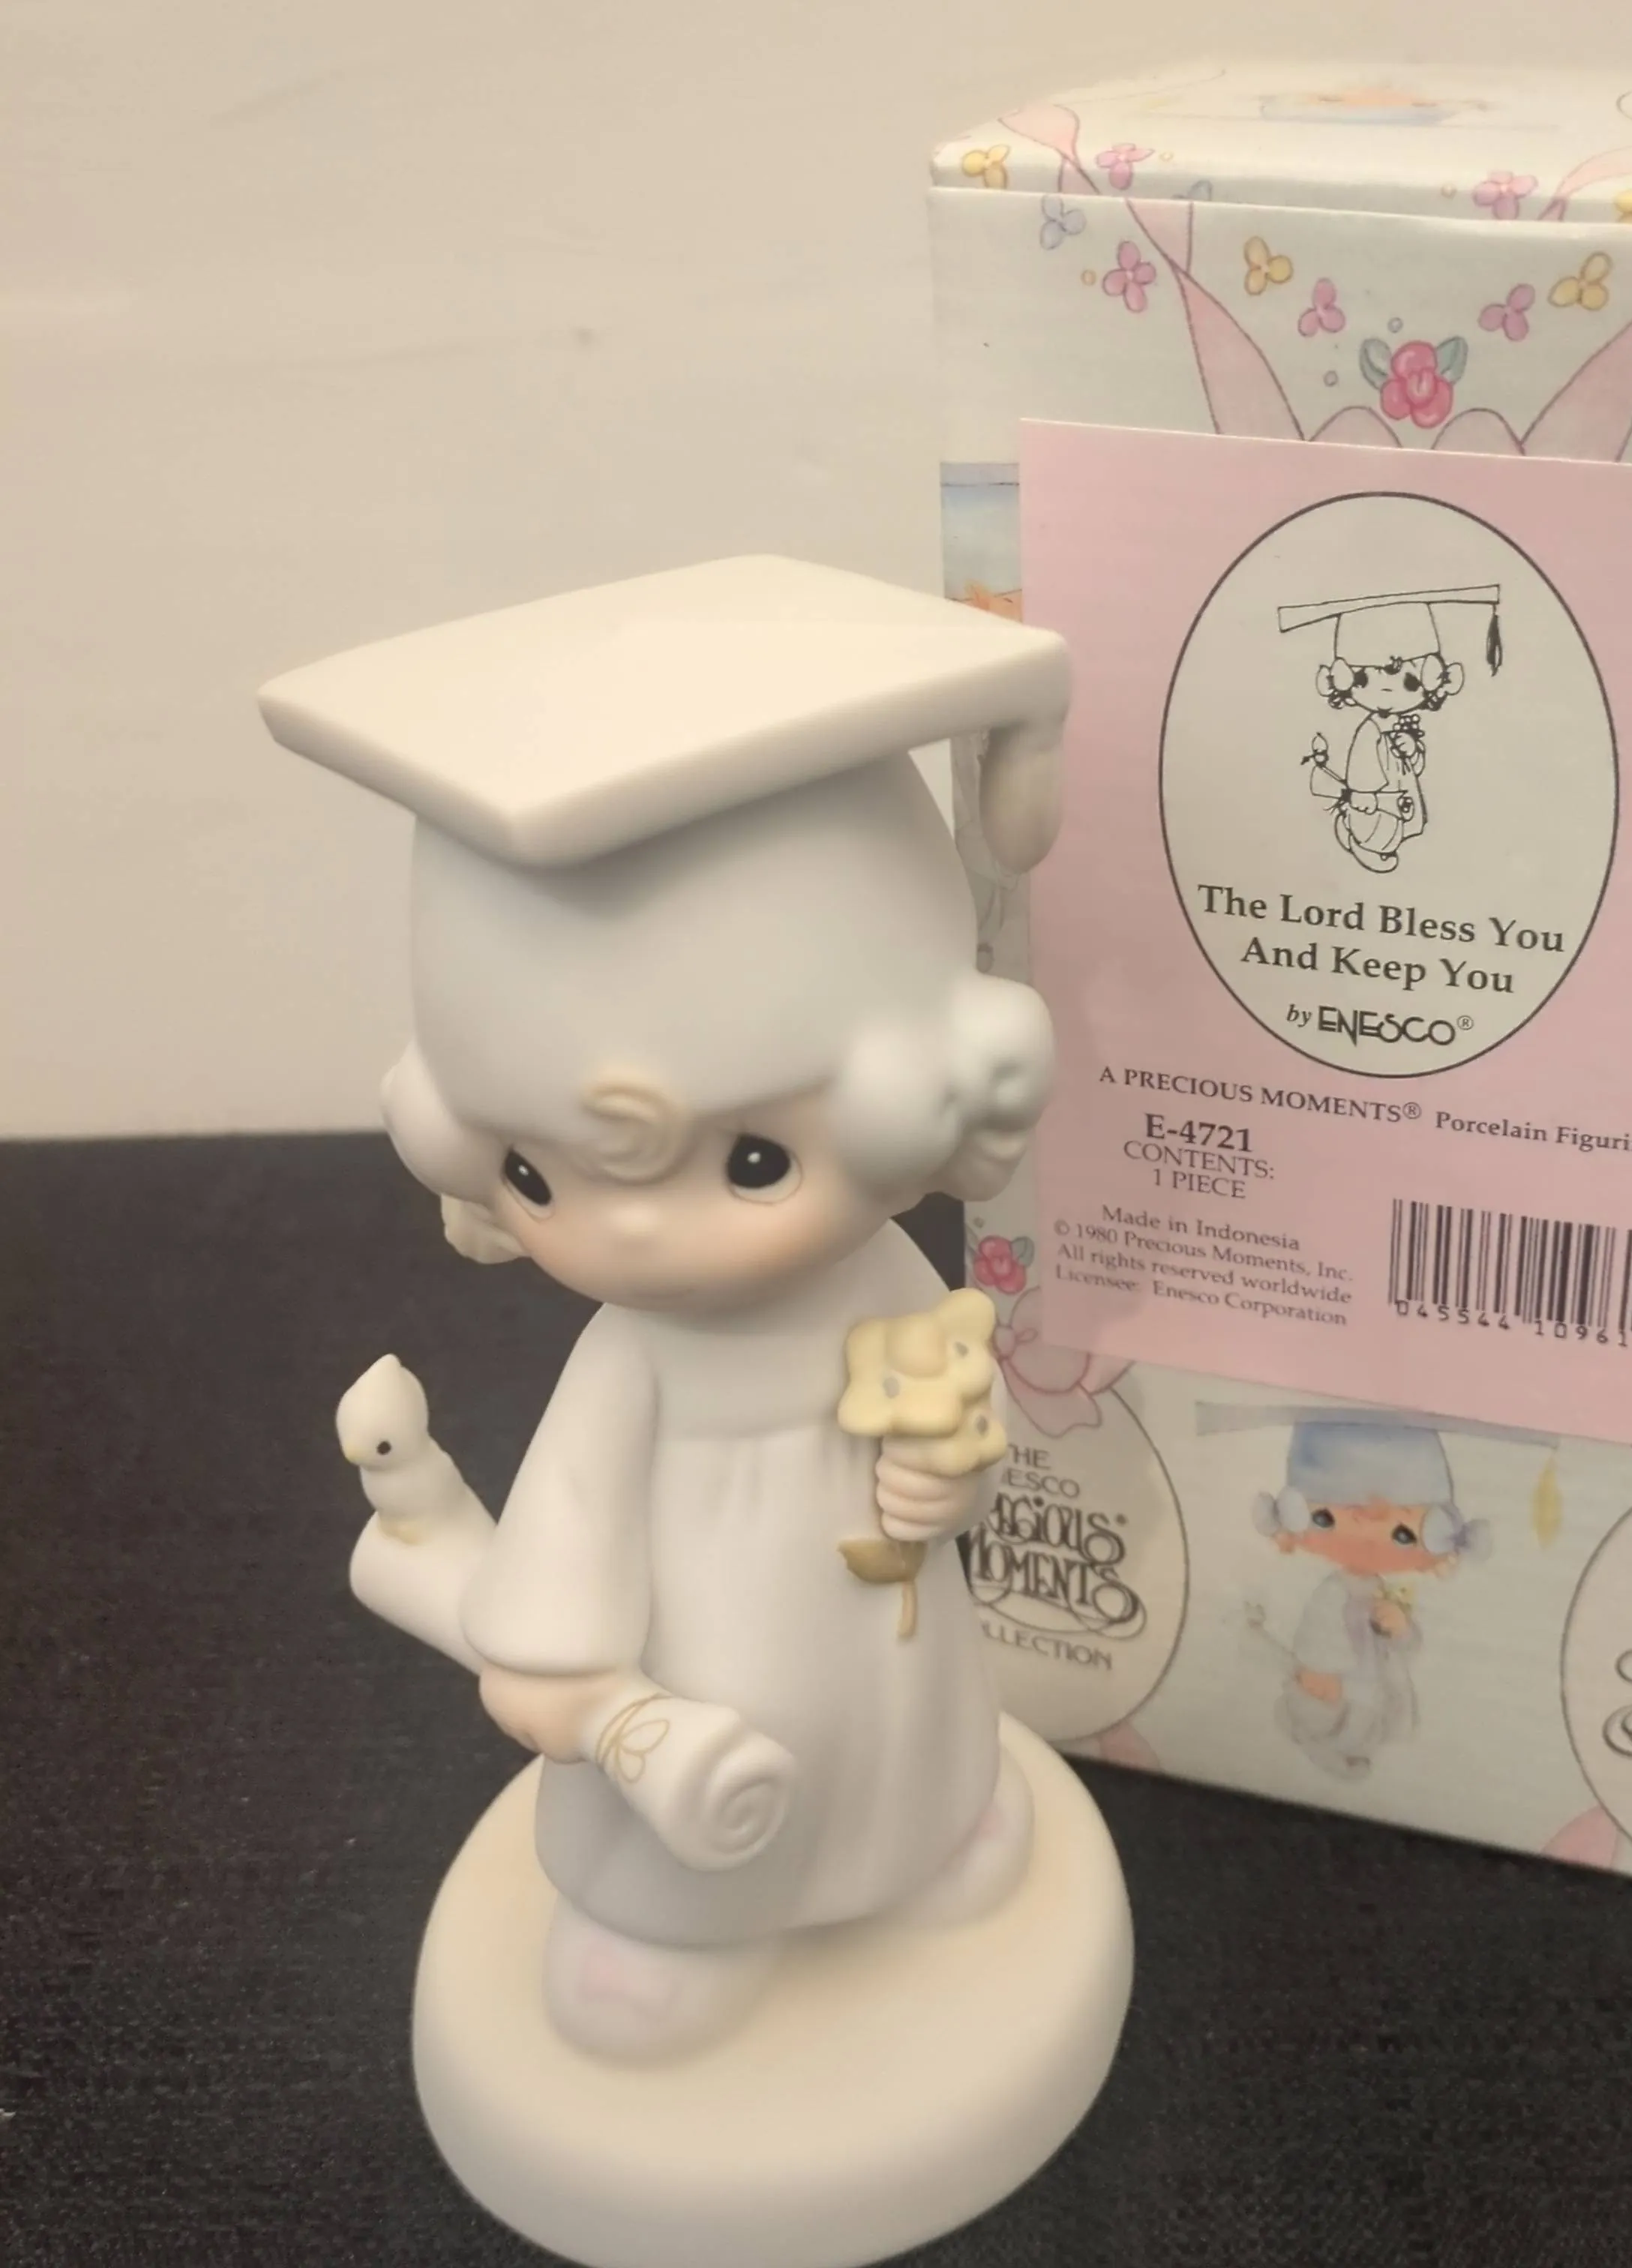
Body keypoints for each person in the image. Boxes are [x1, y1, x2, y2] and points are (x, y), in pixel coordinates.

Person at [260, 556, 1067, 2062]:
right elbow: (570, 1526)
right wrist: (564, 1657)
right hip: (699, 1626)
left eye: (753, 1161)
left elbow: (957, 1425)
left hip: (874, 1605)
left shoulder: (890, 1286)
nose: (636, 1236)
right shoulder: (633, 1361)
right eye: (535, 1175)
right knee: (726, 1751)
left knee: (902, 1730)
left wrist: (947, 1475)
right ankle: (680, 1922)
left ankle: (921, 1842)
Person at [1244, 1418, 1491, 1779]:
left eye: (1403, 1535)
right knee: (1334, 1724)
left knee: (1363, 1726)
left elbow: (1405, 1647)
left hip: (1368, 1689)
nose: (1367, 1540)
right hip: (1337, 1686)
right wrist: (1318, 1671)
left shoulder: (1378, 1591)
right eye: (1326, 1518)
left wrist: (1400, 1628)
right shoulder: (1333, 1592)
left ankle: (1340, 1752)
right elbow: (1317, 1635)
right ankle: (1325, 1751)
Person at [1276, 586, 1501, 872]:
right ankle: (1367, 844)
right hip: (1375, 803)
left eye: (1409, 682)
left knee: (1397, 828)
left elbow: (1412, 765)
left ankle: (1378, 843)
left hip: (1397, 800)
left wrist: (1412, 750)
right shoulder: (1369, 731)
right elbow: (1362, 765)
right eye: (1363, 681)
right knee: (1379, 829)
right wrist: (1363, 793)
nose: (1385, 691)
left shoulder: (1398, 726)